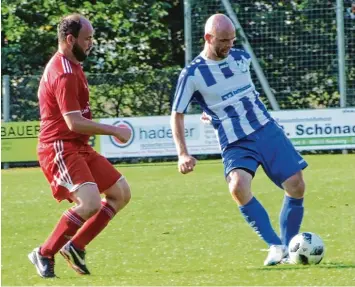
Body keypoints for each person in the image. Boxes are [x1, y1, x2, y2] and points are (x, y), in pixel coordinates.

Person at [170, 14, 307, 266]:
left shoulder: (242, 58)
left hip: (266, 129)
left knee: (296, 184)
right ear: (208, 38)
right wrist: (182, 153)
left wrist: (212, 110)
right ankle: (275, 245)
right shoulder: (192, 74)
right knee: (238, 187)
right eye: (224, 41)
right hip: (235, 141)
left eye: (232, 40)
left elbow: (243, 93)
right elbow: (176, 114)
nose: (229, 46)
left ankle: (289, 249)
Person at [28, 14, 132, 278]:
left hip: (77, 145)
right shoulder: (63, 73)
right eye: (87, 39)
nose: (91, 44)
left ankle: (75, 246)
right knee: (89, 204)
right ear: (70, 39)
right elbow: (74, 123)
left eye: (92, 38)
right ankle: (44, 252)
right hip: (60, 147)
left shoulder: (71, 64)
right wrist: (113, 130)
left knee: (121, 193)